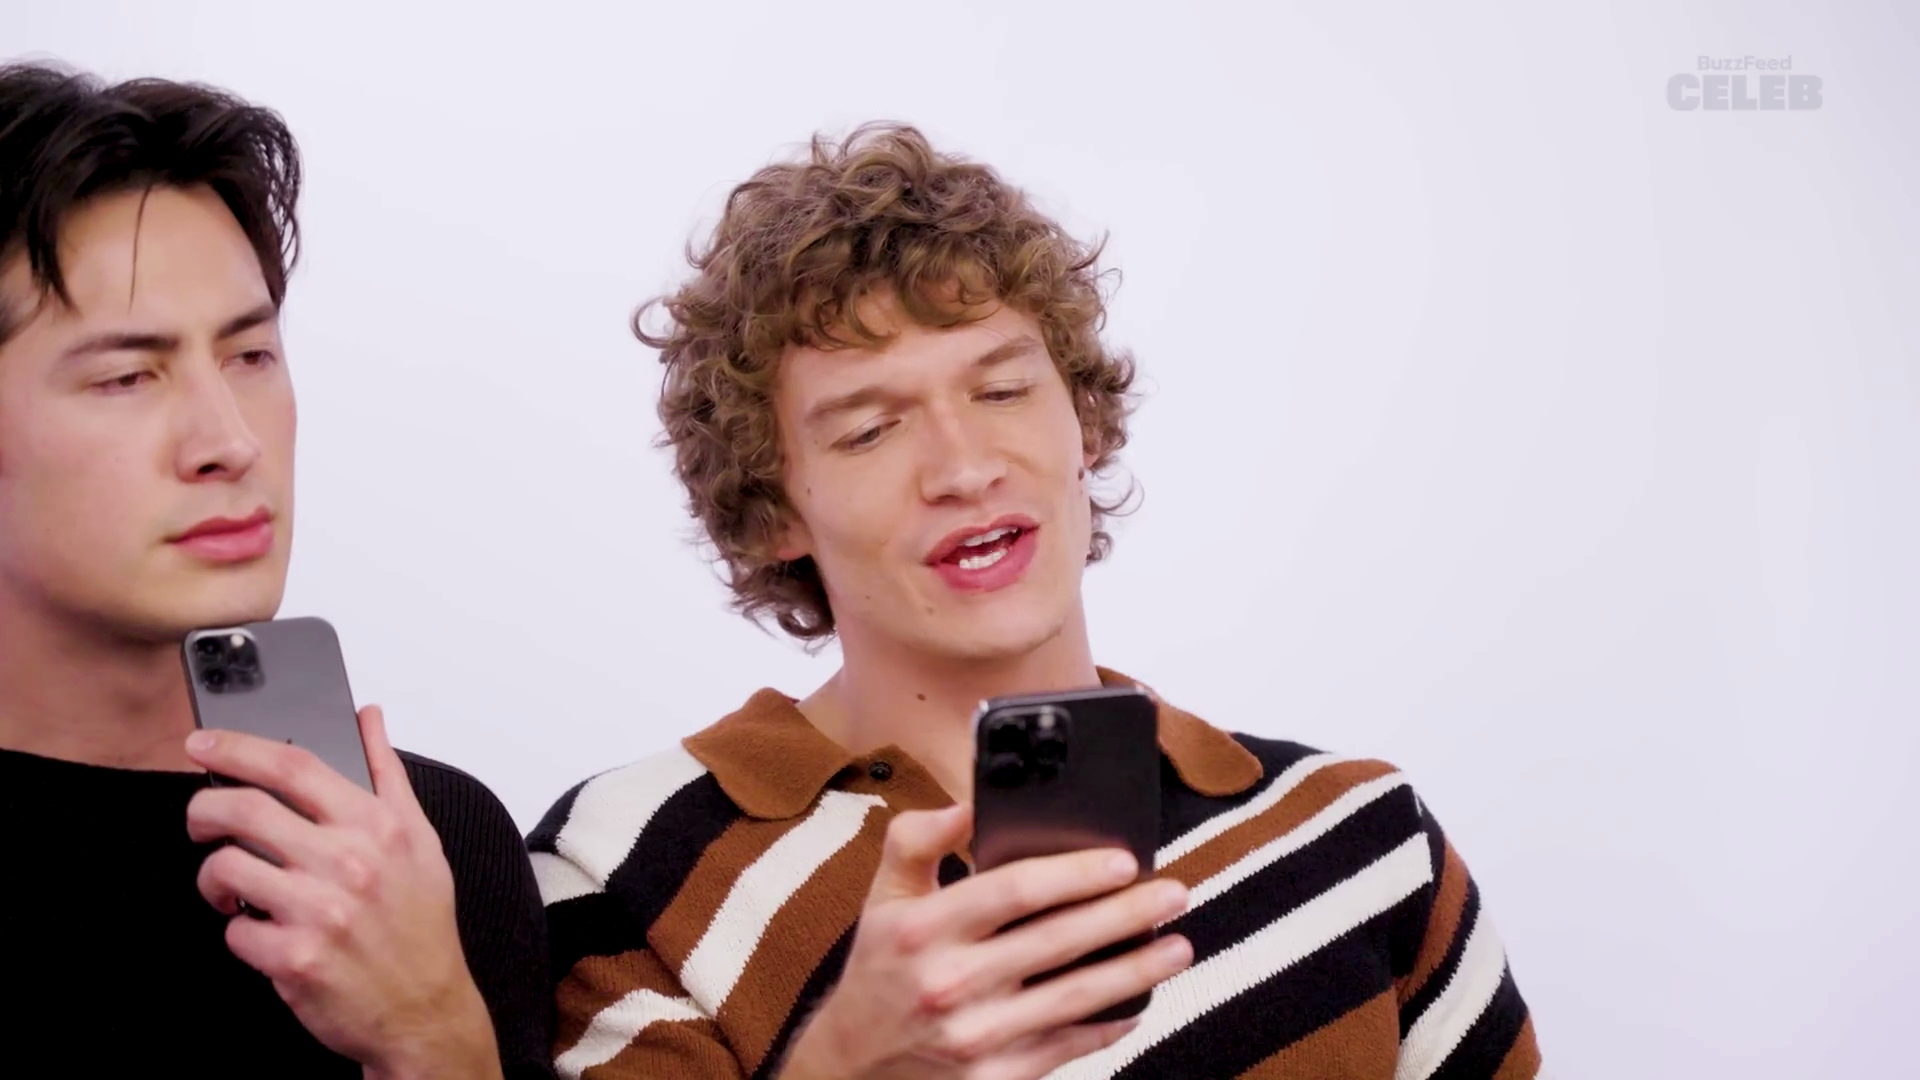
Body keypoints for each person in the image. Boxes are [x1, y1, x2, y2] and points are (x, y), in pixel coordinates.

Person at [531, 123, 1543, 1079]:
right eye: (869, 431)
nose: (965, 468)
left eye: (1004, 389)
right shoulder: (619, 865)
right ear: (771, 513)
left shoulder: (1359, 834)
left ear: (1084, 423)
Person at [0, 61, 554, 1078]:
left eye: (250, 356)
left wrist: (433, 1034)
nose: (229, 441)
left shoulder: (423, 848)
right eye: (127, 376)